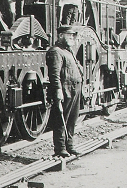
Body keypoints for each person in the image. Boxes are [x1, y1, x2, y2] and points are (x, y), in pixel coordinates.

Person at [46, 25, 82, 157]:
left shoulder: (68, 51)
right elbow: (54, 74)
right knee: (61, 119)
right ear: (61, 35)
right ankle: (60, 148)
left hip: (75, 88)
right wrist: (58, 90)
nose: (72, 38)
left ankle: (70, 146)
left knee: (72, 119)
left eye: (73, 35)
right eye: (69, 35)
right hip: (66, 88)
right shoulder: (55, 51)